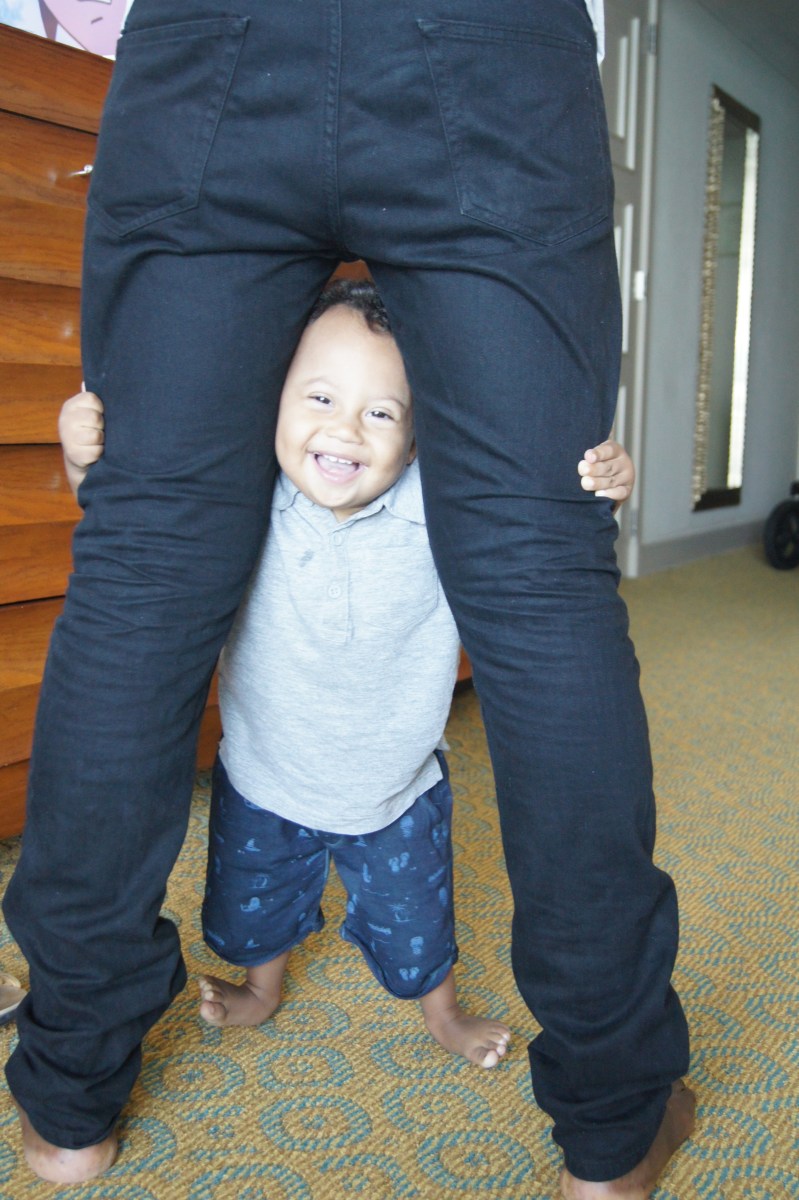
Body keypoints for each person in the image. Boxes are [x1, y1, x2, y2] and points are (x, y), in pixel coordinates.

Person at [3, 1, 694, 1194]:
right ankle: (614, 1134)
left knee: (144, 571)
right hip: (487, 49)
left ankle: (69, 1107)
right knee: (540, 580)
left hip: (214, 45)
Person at [56, 279, 635, 1068]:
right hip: (264, 773)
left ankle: (442, 1013)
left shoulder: (444, 508)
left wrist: (605, 490)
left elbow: (541, 533)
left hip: (394, 785)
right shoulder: (240, 494)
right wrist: (81, 460)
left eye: (381, 413)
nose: (345, 430)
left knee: (417, 923)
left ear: (418, 437)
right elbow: (129, 523)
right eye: (320, 398)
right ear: (273, 398)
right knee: (254, 908)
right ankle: (262, 989)